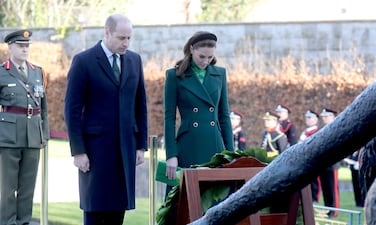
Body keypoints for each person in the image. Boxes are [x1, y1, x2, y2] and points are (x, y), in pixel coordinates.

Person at [64, 14, 148, 225]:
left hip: (125, 149)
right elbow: (72, 110)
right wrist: (78, 151)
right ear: (107, 32)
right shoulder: (83, 61)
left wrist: (141, 146)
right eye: (121, 38)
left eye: (129, 38)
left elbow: (141, 105)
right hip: (95, 150)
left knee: (118, 211)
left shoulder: (134, 60)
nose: (126, 43)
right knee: (95, 209)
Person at [164, 31, 234, 180]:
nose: (205, 61)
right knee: (187, 197)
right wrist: (171, 155)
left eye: (210, 57)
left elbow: (224, 116)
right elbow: (169, 118)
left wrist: (231, 154)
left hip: (215, 147)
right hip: (188, 144)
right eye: (201, 56)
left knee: (216, 199)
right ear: (191, 50)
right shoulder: (174, 76)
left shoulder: (220, 74)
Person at [0, 29, 49, 225]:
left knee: (28, 188)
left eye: (27, 46)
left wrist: (43, 134)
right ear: (10, 47)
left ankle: (24, 222)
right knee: (7, 188)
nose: (24, 49)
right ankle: (6, 222)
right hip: (8, 137)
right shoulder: (2, 72)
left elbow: (43, 108)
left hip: (32, 136)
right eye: (20, 45)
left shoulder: (38, 72)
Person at [319, 107, 340, 217]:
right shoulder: (323, 129)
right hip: (323, 163)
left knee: (332, 188)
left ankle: (334, 210)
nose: (324, 119)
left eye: (326, 116)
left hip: (332, 162)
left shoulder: (337, 128)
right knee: (325, 188)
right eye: (323, 117)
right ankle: (327, 209)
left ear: (332, 117)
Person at [298, 109, 320, 203]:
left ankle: (315, 199)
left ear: (315, 120)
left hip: (313, 160)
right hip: (304, 161)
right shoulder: (305, 132)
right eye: (307, 118)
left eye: (310, 118)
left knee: (314, 182)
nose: (308, 119)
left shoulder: (317, 131)